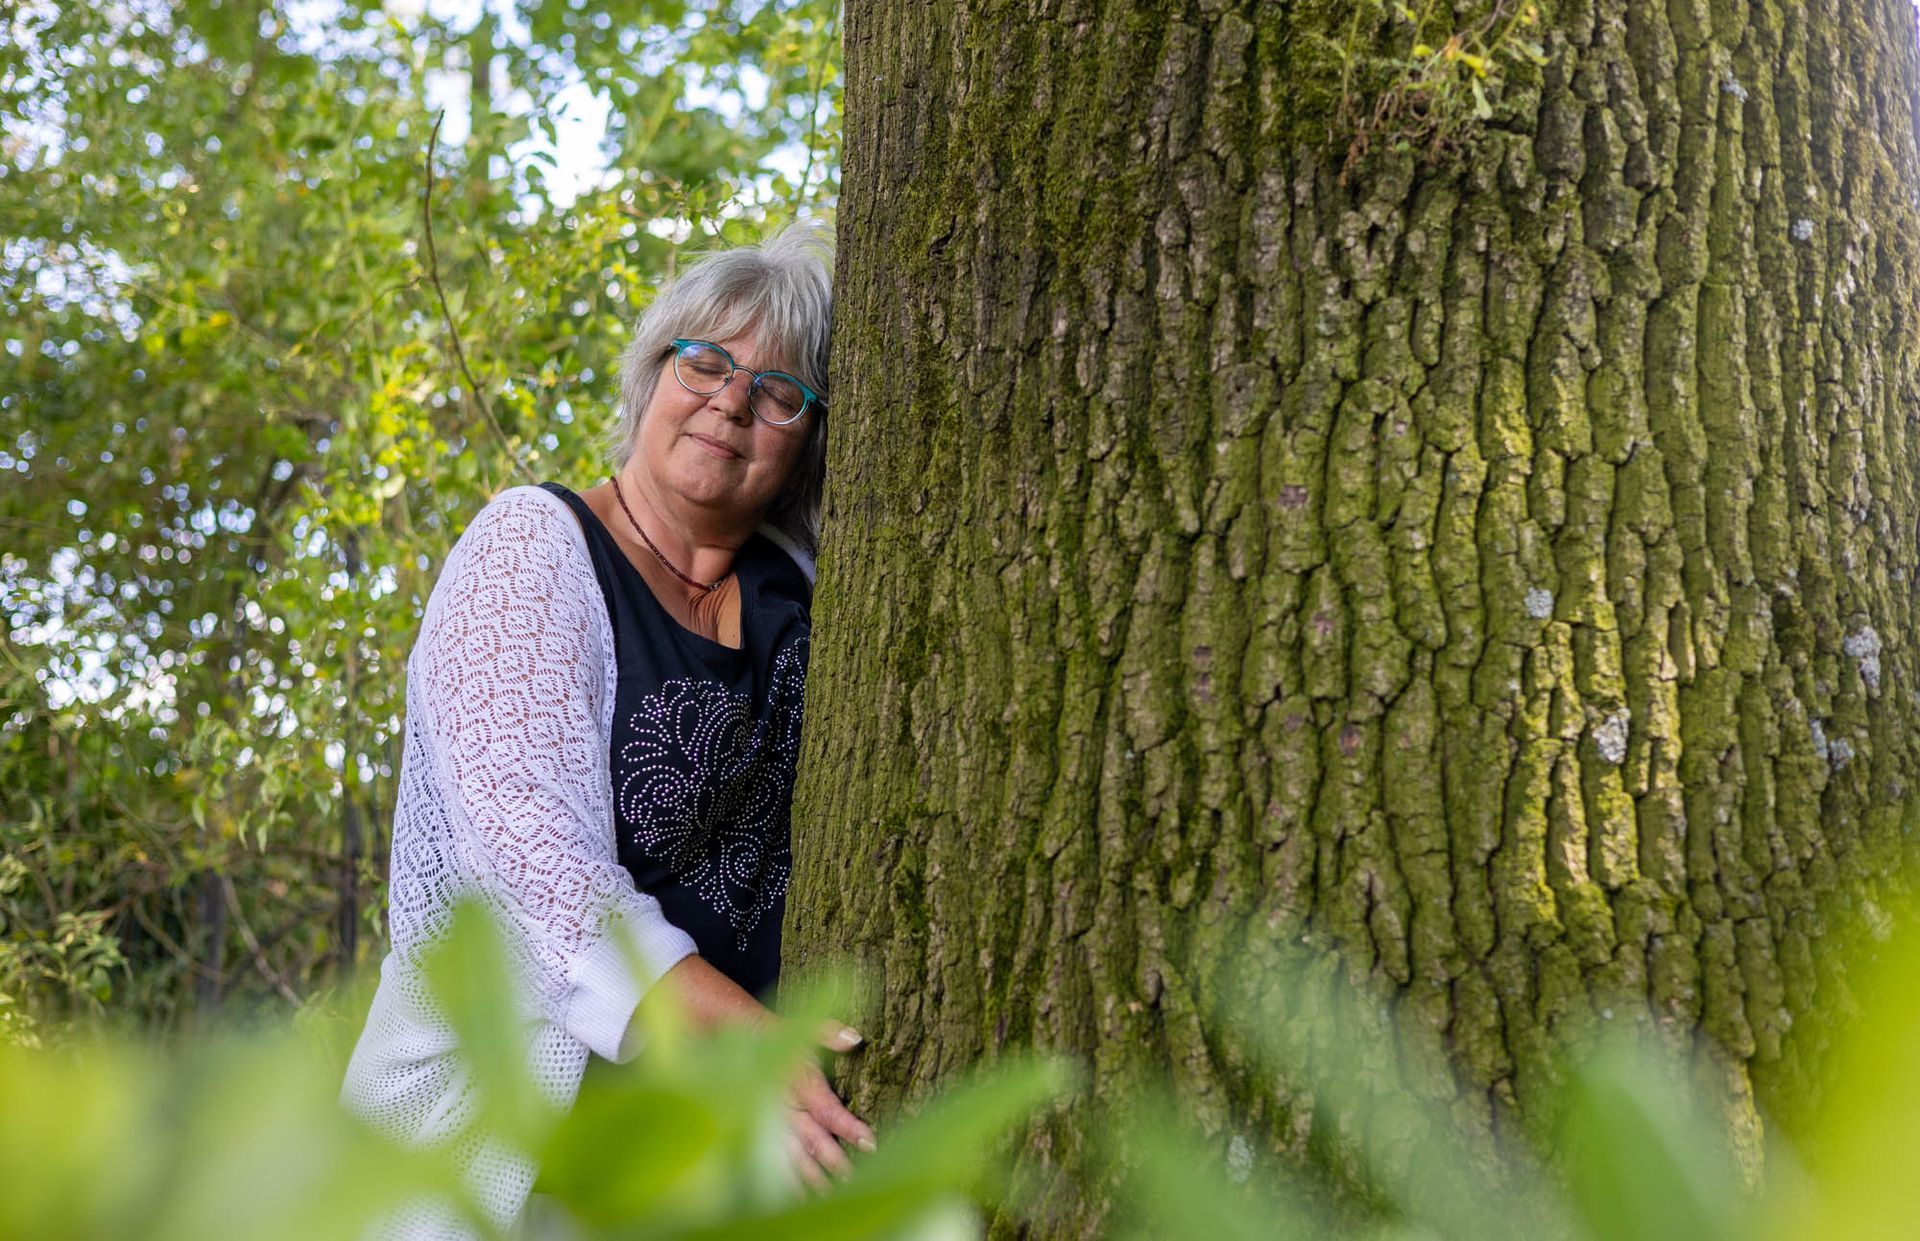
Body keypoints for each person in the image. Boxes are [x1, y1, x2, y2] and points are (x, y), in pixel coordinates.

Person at [340, 222, 873, 1236]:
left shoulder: (800, 588)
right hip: (499, 1151)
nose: (730, 402)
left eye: (778, 391)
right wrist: (756, 1044)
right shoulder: (532, 552)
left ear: (808, 436)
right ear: (652, 374)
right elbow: (534, 878)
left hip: (711, 1158)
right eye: (706, 361)